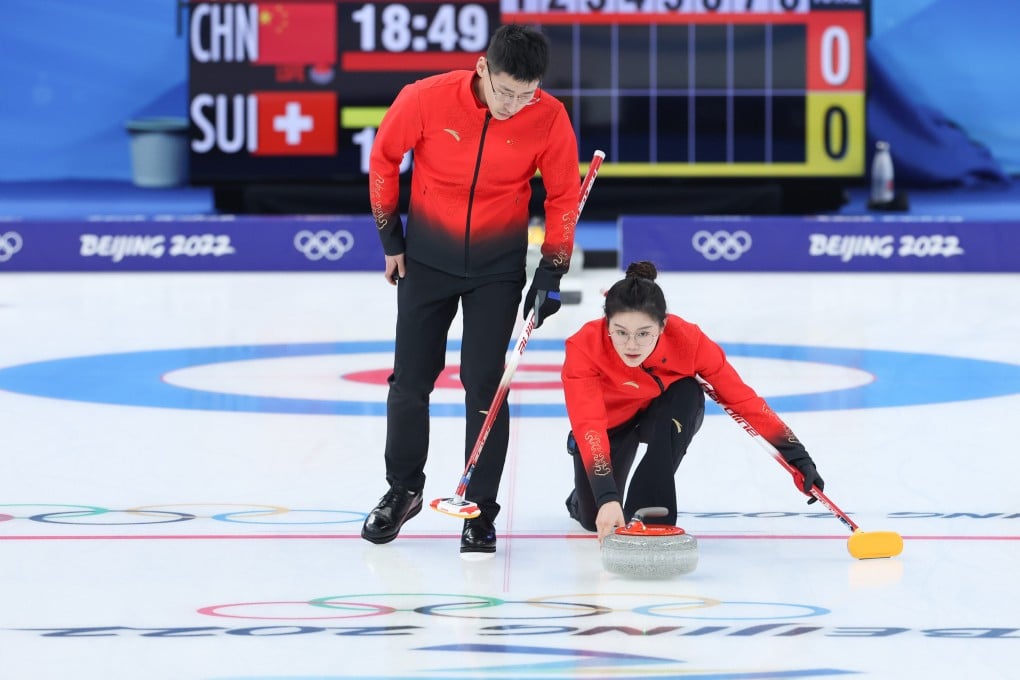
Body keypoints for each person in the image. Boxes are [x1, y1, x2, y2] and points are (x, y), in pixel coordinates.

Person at [362, 24, 581, 556]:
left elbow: (562, 196)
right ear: (482, 68)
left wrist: (551, 271)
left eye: (526, 95)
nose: (513, 106)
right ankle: (403, 490)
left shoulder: (549, 116)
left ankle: (479, 510)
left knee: (486, 386)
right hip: (426, 260)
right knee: (410, 380)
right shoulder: (425, 98)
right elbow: (384, 158)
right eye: (505, 91)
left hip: (497, 267)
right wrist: (391, 238)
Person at [561, 261, 824, 542]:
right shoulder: (584, 347)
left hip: (661, 416)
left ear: (663, 325)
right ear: (607, 323)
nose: (632, 344)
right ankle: (584, 498)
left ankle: (648, 513)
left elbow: (743, 399)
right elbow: (589, 424)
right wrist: (606, 495)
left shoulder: (689, 340)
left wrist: (797, 455)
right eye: (621, 332)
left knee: (687, 391)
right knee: (594, 517)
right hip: (610, 424)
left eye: (644, 333)